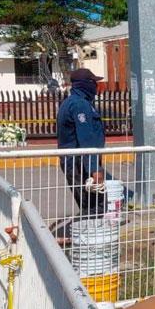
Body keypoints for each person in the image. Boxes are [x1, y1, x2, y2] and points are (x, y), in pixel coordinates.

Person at [56, 68, 107, 219]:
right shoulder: (80, 105)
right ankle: (92, 231)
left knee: (90, 205)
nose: (96, 86)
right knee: (93, 206)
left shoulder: (74, 102)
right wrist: (94, 169)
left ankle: (90, 227)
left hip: (78, 161)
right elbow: (86, 139)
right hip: (80, 162)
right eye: (94, 83)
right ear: (85, 84)